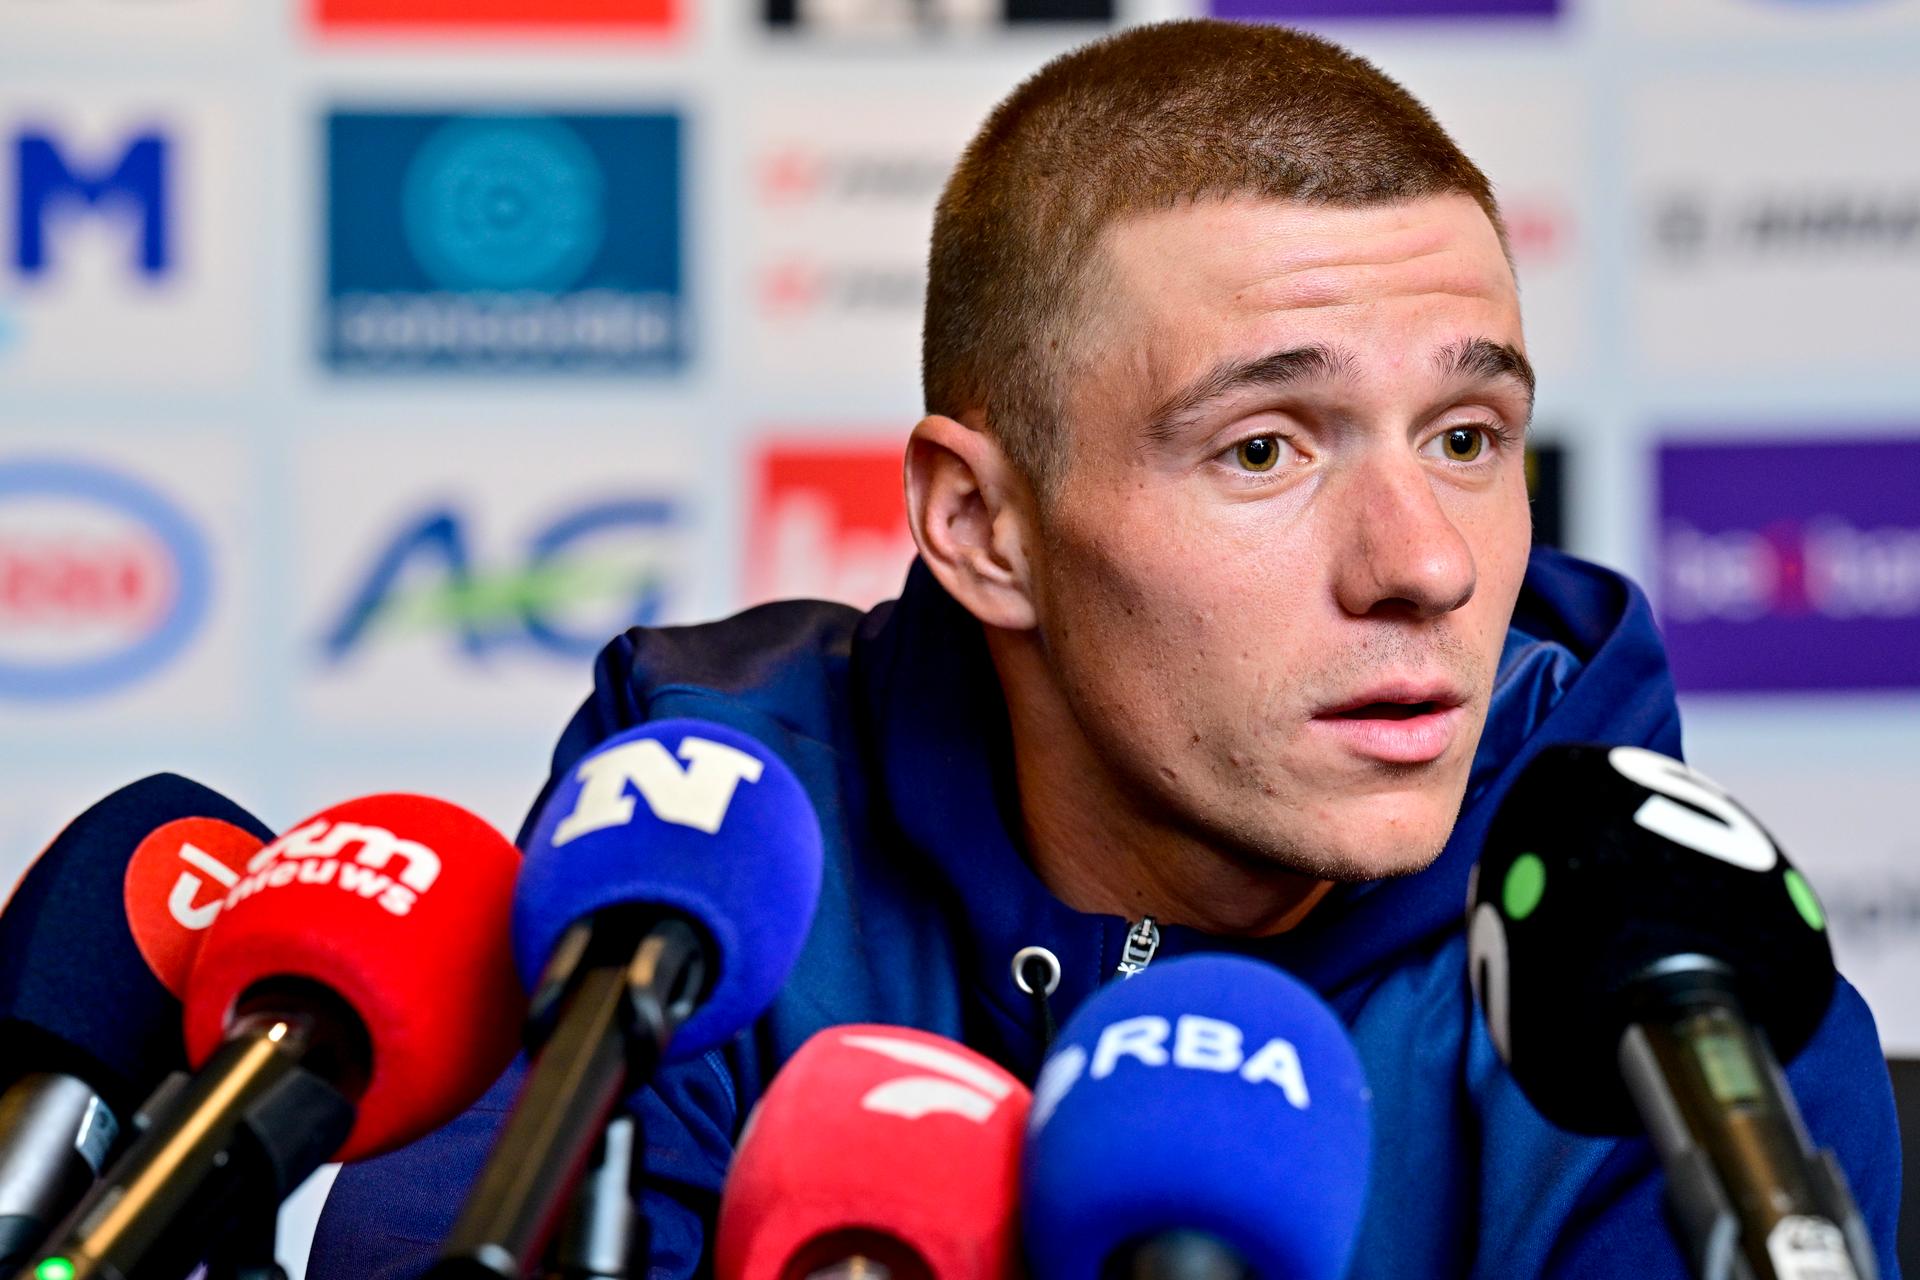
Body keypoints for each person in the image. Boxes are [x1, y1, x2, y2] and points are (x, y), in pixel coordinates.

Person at [310, 19, 1903, 1278]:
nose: (1425, 564)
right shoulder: (706, 840)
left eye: (1471, 436)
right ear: (985, 528)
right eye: (1268, 449)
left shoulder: (1673, 991)